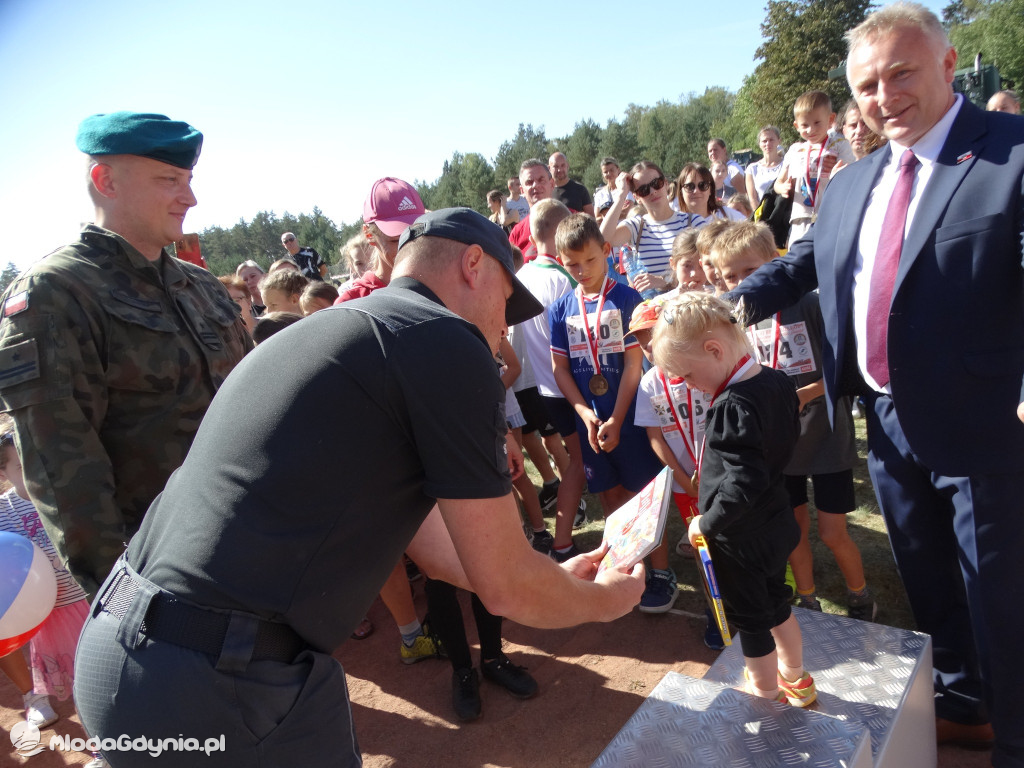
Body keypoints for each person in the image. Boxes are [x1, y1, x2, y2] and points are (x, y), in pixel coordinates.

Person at [73, 208, 645, 767]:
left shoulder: (340, 329)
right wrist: (604, 603)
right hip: (222, 686)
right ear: (473, 264)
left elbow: (436, 546)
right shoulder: (443, 339)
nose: (504, 325)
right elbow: (506, 588)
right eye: (504, 300)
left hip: (122, 653)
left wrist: (549, 578)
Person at [728, 2, 1024, 758]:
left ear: (949, 64)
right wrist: (732, 298)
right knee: (927, 583)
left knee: (1002, 601)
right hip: (886, 424)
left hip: (986, 423)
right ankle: (964, 702)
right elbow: (809, 264)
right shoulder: (850, 182)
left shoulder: (1010, 152)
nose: (883, 95)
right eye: (866, 84)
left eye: (901, 73)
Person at [0, 111, 252, 599]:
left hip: (256, 538)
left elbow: (257, 397)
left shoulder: (198, 284)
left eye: (189, 180)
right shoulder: (56, 293)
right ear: (105, 181)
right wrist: (124, 596)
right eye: (168, 180)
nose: (190, 197)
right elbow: (65, 474)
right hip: (168, 572)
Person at [652, 291, 813, 707]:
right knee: (777, 602)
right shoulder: (776, 380)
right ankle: (796, 677)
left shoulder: (731, 404)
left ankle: (763, 692)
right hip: (777, 519)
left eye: (687, 375)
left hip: (742, 537)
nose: (688, 385)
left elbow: (742, 482)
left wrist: (706, 522)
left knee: (753, 620)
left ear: (714, 350)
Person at [711, 221, 875, 621]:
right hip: (780, 446)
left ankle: (861, 595)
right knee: (793, 529)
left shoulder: (810, 304)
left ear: (775, 262)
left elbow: (845, 367)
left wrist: (804, 395)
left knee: (833, 532)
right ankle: (807, 598)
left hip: (826, 440)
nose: (742, 283)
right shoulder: (738, 321)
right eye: (730, 276)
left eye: (751, 272)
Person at [549, 214, 662, 525]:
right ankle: (623, 567)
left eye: (590, 259)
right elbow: (559, 369)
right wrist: (584, 413)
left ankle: (661, 570)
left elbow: (634, 365)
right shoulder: (559, 310)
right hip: (590, 423)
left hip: (630, 416)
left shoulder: (628, 298)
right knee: (610, 497)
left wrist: (617, 417)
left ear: (607, 251)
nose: (582, 270)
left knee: (642, 495)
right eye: (573, 264)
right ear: (561, 262)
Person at [773, 91, 856, 246]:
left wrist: (836, 172)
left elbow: (849, 177)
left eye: (817, 123)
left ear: (830, 120)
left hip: (830, 216)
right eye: (804, 125)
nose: (811, 130)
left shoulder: (839, 146)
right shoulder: (795, 150)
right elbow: (778, 183)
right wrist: (783, 188)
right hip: (800, 219)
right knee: (798, 263)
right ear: (796, 126)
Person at [599, 161, 692, 297]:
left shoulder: (692, 222)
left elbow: (706, 270)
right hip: (652, 310)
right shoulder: (637, 226)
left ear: (666, 183)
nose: (653, 191)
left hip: (687, 306)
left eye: (656, 183)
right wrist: (621, 195)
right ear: (637, 197)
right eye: (644, 190)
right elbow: (602, 239)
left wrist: (664, 281)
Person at [336, 177, 426, 303]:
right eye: (396, 241)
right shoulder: (353, 302)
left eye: (418, 235)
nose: (411, 248)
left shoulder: (440, 287)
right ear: (369, 235)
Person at [507, 159, 555, 262]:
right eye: (529, 182)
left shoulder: (571, 220)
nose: (535, 185)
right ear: (522, 191)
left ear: (552, 184)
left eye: (541, 180)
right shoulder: (517, 233)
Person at [745, 126, 785, 208]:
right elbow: (752, 198)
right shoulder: (752, 169)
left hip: (783, 211)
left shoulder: (786, 164)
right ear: (759, 144)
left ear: (779, 141)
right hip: (762, 214)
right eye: (764, 141)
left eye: (771, 140)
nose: (768, 144)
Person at [548, 152, 595, 216]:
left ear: (567, 165)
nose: (560, 170)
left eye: (563, 165)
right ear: (549, 168)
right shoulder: (545, 191)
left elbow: (591, 219)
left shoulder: (580, 190)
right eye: (556, 166)